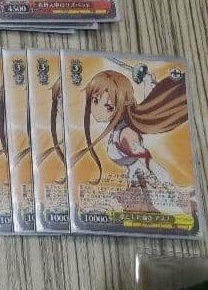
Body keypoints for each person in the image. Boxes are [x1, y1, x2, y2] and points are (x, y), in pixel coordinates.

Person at [77, 69, 189, 212]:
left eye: (108, 107)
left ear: (121, 105)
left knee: (105, 208)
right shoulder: (122, 126)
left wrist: (174, 193)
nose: (97, 110)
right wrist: (147, 82)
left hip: (144, 190)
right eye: (95, 101)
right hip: (135, 187)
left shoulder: (126, 135)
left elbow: (153, 166)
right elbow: (148, 107)